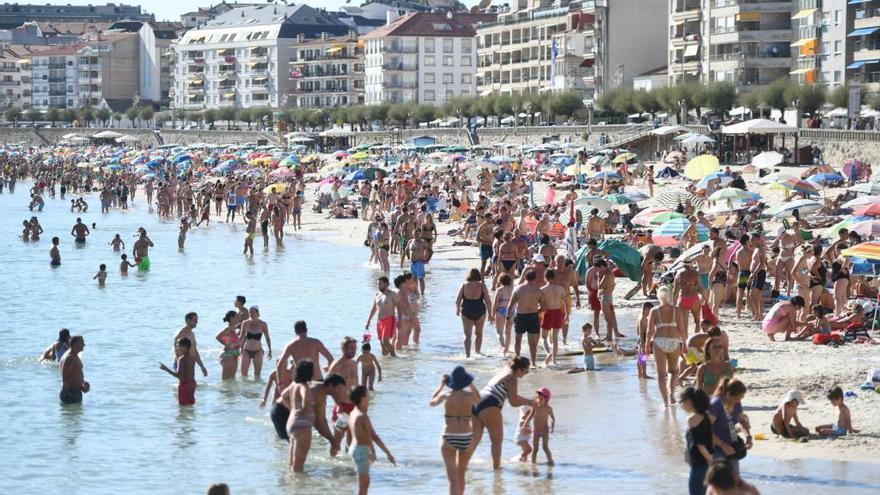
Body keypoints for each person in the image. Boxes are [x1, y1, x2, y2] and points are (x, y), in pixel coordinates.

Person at [471, 357, 536, 470]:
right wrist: (530, 402)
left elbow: (512, 397)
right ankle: (497, 470)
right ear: (520, 369)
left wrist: (528, 401)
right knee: (497, 441)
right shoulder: (512, 377)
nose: (526, 374)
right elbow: (513, 401)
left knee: (474, 440)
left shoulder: (504, 371)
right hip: (490, 403)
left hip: (477, 401)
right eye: (526, 371)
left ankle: (461, 464)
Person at [429, 366, 479, 495]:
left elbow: (431, 403)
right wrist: (471, 384)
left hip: (449, 436)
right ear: (465, 382)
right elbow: (479, 399)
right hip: (466, 436)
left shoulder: (446, 395)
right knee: (461, 474)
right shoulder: (470, 396)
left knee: (452, 480)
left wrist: (441, 386)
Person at [348, 385, 396, 495]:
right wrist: (388, 453)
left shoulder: (353, 413)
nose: (369, 396)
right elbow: (374, 436)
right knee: (363, 486)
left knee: (365, 483)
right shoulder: (362, 416)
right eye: (368, 394)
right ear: (363, 397)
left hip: (356, 449)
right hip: (360, 451)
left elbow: (360, 435)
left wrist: (371, 450)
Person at [647, 286, 686, 406]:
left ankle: (665, 402)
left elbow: (649, 331)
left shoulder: (654, 311)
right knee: (673, 371)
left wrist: (646, 345)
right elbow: (682, 330)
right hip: (674, 341)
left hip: (659, 341)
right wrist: (684, 344)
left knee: (660, 374)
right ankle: (671, 394)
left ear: (658, 296)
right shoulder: (677, 310)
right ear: (669, 295)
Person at [707, 378, 752, 477]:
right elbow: (705, 431)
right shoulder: (715, 405)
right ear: (728, 394)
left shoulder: (737, 403)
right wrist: (723, 445)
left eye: (741, 398)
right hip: (715, 446)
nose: (739, 401)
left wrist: (748, 437)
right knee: (720, 478)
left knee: (735, 477)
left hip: (731, 444)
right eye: (737, 398)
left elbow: (742, 421)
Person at [506, 270, 544, 367]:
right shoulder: (538, 290)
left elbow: (510, 305)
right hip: (533, 316)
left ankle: (517, 360)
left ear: (525, 277)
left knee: (518, 340)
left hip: (520, 316)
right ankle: (534, 363)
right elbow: (544, 306)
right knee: (532, 343)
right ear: (535, 278)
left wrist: (508, 317)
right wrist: (537, 310)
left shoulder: (518, 289)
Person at [284, 360, 316, 472]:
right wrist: (303, 410)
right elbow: (306, 398)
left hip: (292, 422)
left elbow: (283, 396)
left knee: (292, 461)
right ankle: (298, 487)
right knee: (299, 462)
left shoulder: (293, 384)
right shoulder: (304, 386)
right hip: (302, 425)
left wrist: (292, 409)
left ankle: (291, 484)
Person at [681, 387, 713, 495]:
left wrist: (709, 459)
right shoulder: (707, 416)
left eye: (682, 400)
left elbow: (700, 444)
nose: (681, 404)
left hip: (699, 464)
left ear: (689, 401)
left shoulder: (691, 420)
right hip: (706, 463)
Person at [455, 268, 492, 358]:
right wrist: (491, 314)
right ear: (478, 275)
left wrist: (457, 309)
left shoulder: (464, 285)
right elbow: (488, 301)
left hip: (467, 310)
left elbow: (457, 300)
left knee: (467, 335)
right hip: (480, 310)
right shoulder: (482, 286)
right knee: (479, 333)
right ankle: (477, 352)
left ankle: (467, 355)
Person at [365, 276, 402, 357]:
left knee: (385, 341)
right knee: (382, 344)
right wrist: (368, 321)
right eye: (378, 284)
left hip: (389, 319)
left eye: (380, 284)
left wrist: (400, 321)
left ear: (386, 284)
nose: (378, 286)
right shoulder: (377, 294)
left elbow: (399, 307)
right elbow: (374, 309)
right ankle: (386, 365)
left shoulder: (392, 294)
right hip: (379, 321)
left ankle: (395, 358)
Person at [540, 269, 570, 366]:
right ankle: (554, 360)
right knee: (555, 339)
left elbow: (541, 304)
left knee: (543, 337)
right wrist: (567, 315)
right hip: (558, 312)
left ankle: (548, 352)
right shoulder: (560, 289)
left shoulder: (543, 289)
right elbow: (565, 303)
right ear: (554, 277)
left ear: (545, 278)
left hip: (548, 313)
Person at [159, 337, 197, 406]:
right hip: (192, 384)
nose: (177, 348)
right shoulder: (192, 357)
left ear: (185, 347)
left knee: (182, 408)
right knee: (190, 406)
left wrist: (166, 369)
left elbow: (179, 376)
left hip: (184, 385)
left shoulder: (182, 359)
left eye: (178, 346)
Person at [522, 387, 555, 465]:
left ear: (546, 398)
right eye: (538, 395)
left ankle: (550, 461)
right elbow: (530, 415)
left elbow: (553, 418)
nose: (539, 397)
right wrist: (525, 424)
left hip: (545, 431)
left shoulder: (548, 408)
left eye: (541, 396)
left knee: (545, 448)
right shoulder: (535, 406)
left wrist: (552, 428)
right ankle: (533, 464)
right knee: (535, 449)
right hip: (536, 431)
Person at [239, 306, 271, 378]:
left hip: (258, 351)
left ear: (257, 313)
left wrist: (270, 350)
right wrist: (237, 348)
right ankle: (244, 389)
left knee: (257, 376)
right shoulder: (245, 323)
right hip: (246, 350)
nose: (251, 314)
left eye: (252, 312)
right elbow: (241, 337)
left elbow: (267, 338)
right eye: (250, 312)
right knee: (243, 375)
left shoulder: (263, 324)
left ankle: (256, 389)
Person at [174, 312, 208, 378]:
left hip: (190, 362)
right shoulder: (182, 333)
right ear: (187, 320)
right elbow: (177, 349)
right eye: (194, 320)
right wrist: (179, 365)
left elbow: (194, 351)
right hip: (183, 363)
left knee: (191, 385)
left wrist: (202, 366)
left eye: (197, 320)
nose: (197, 322)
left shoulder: (192, 334)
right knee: (185, 385)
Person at [59, 335, 89, 404]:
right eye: (82, 342)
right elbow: (65, 379)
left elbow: (73, 375)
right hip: (70, 394)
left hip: (73, 393)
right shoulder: (70, 358)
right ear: (75, 344)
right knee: (73, 414)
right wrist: (81, 387)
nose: (84, 345)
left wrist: (84, 383)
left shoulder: (73, 356)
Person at [215, 311, 241, 380]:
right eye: (237, 317)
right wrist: (228, 345)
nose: (239, 318)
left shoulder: (232, 329)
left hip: (234, 354)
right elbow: (218, 337)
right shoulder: (229, 329)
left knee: (232, 380)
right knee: (226, 381)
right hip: (229, 354)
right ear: (232, 318)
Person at [491, 273, 514, 354]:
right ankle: (507, 348)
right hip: (511, 310)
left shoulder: (499, 290)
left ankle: (503, 347)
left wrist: (492, 314)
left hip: (501, 310)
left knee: (499, 332)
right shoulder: (513, 289)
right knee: (508, 332)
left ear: (500, 281)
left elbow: (495, 303)